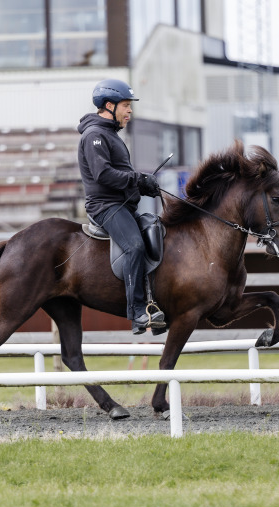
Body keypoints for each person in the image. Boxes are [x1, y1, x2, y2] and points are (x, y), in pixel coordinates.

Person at [77, 79, 165, 334]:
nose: (129, 111)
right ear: (109, 105)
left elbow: (121, 174)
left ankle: (154, 302)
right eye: (126, 106)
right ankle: (138, 312)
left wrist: (141, 184)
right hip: (105, 206)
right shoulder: (95, 135)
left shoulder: (109, 134)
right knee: (134, 246)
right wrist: (137, 179)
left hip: (122, 204)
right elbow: (104, 175)